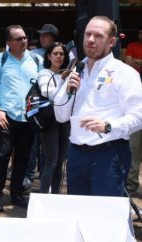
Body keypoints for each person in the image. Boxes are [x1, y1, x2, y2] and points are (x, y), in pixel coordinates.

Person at [54, 16, 142, 196]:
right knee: (79, 214)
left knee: (105, 217)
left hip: (109, 155)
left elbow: (139, 116)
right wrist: (67, 91)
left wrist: (108, 125)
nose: (90, 40)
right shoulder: (75, 70)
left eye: (98, 36)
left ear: (111, 42)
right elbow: (60, 115)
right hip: (76, 154)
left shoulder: (125, 73)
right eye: (87, 34)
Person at [0, 25, 38, 212]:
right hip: (6, 116)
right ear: (9, 42)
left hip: (28, 117)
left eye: (25, 37)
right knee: (3, 155)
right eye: (19, 39)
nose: (24, 41)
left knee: (23, 157)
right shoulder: (0, 60)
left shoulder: (35, 60)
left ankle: (16, 194)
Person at [37, 42, 70, 194]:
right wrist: (63, 80)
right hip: (49, 120)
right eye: (55, 54)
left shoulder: (69, 74)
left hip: (65, 120)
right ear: (49, 56)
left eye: (61, 54)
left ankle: (55, 196)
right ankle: (44, 196)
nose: (58, 57)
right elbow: (47, 93)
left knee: (60, 162)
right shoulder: (44, 73)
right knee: (51, 161)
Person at [124, 26, 142, 195]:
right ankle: (131, 186)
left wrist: (137, 62)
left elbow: (133, 62)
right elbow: (128, 62)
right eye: (140, 32)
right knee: (134, 149)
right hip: (137, 111)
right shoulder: (132, 46)